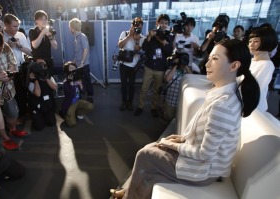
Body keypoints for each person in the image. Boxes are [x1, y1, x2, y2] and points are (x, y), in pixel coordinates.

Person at [110, 39, 260, 199]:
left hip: (203, 171)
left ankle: (127, 196)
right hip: (206, 166)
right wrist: (182, 139)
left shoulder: (223, 105)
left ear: (234, 66)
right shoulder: (225, 94)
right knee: (152, 171)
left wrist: (172, 145)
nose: (207, 64)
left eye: (215, 59)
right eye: (209, 57)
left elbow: (204, 154)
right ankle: (128, 193)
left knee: (145, 154)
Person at [134, 14, 173, 118]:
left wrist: (163, 41)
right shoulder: (152, 34)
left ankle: (153, 107)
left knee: (157, 90)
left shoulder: (169, 36)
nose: (164, 25)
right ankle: (140, 106)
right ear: (157, 23)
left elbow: (169, 52)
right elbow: (145, 48)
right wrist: (150, 36)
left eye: (166, 23)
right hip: (149, 66)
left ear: (167, 25)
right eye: (162, 23)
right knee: (144, 88)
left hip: (160, 68)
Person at [238, 26, 277, 112]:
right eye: (250, 41)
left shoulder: (266, 65)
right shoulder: (251, 60)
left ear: (266, 42)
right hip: (243, 103)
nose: (251, 45)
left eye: (256, 41)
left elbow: (253, 87)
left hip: (254, 107)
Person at [3, 13, 32, 122]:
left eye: (18, 26)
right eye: (14, 26)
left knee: (23, 92)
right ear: (6, 25)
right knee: (10, 95)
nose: (17, 28)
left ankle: (24, 113)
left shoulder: (20, 35)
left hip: (21, 67)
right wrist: (7, 46)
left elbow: (30, 52)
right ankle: (13, 118)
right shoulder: (0, 36)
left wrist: (20, 46)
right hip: (7, 70)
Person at [118, 17, 145, 111]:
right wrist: (129, 36)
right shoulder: (124, 33)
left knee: (131, 85)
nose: (138, 28)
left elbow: (137, 49)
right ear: (132, 26)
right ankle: (123, 102)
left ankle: (130, 102)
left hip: (134, 66)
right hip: (123, 64)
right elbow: (120, 45)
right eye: (136, 26)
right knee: (124, 85)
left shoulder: (142, 38)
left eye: (140, 27)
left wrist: (137, 40)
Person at [59, 62, 94, 127]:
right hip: (70, 103)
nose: (73, 69)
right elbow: (71, 95)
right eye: (71, 68)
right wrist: (71, 84)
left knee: (90, 106)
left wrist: (80, 85)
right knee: (72, 123)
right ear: (67, 70)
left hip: (78, 101)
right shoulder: (66, 82)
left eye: (74, 68)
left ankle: (76, 112)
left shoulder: (78, 79)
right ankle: (64, 113)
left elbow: (83, 92)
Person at [69, 18, 94, 103]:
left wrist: (82, 62)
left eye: (70, 27)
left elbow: (85, 50)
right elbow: (78, 52)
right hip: (79, 64)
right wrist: (74, 61)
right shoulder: (76, 37)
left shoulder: (82, 37)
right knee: (80, 82)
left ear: (73, 27)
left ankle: (90, 97)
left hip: (84, 65)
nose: (69, 29)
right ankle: (81, 97)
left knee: (87, 81)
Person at [27, 62, 57, 131]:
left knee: (52, 123)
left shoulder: (49, 77)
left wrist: (46, 78)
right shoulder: (31, 81)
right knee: (39, 127)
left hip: (47, 105)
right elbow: (38, 94)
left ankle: (45, 116)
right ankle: (36, 117)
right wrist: (35, 80)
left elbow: (55, 88)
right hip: (37, 107)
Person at [162, 52, 192, 121]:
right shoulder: (170, 70)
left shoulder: (187, 71)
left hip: (181, 102)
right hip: (171, 100)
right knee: (168, 118)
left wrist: (186, 66)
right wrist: (175, 65)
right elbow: (167, 79)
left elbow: (191, 78)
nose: (182, 65)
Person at [29, 10, 58, 76]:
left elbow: (55, 46)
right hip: (38, 62)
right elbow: (35, 45)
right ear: (36, 21)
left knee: (51, 82)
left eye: (45, 19)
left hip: (49, 61)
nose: (44, 21)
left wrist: (50, 36)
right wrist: (42, 33)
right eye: (41, 19)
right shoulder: (32, 31)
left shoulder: (49, 31)